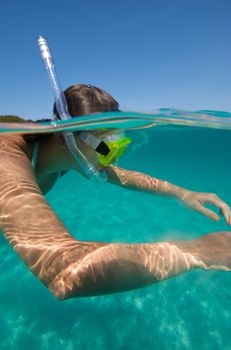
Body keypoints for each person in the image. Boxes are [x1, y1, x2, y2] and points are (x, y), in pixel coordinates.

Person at [0, 83, 231, 300]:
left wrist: (183, 193)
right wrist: (197, 252)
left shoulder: (66, 154)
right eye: (105, 144)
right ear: (65, 135)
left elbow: (122, 176)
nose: (112, 155)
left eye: (114, 143)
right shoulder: (6, 161)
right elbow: (63, 271)